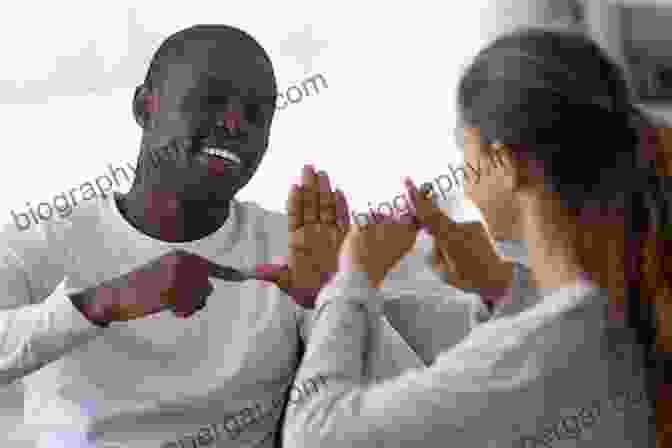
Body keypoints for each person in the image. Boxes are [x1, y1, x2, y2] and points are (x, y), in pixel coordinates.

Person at [0, 24, 430, 448]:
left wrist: (339, 294)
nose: (234, 123)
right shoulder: (41, 242)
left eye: (256, 113)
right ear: (144, 107)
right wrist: (102, 303)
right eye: (211, 99)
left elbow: (414, 416)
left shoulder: (293, 246)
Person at [282, 25, 671, 447]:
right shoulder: (629, 306)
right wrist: (504, 287)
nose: (465, 183)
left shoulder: (546, 347)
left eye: (463, 149)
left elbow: (315, 436)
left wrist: (349, 281)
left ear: (505, 163)